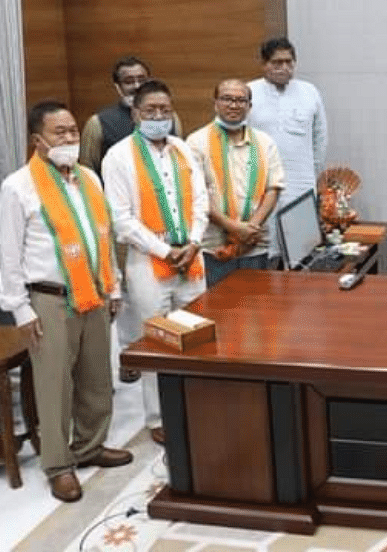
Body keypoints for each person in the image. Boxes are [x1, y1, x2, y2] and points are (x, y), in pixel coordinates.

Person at [0, 100, 132, 502]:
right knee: (55, 385)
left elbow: (102, 238)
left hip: (94, 292)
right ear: (38, 140)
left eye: (73, 130)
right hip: (49, 301)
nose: (71, 138)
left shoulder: (89, 177)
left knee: (97, 378)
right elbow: (8, 253)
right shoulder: (18, 186)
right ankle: (58, 465)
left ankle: (90, 446)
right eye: (60, 132)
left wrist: (115, 286)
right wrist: (19, 308)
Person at [101, 80, 208, 445]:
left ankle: (195, 405)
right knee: (158, 340)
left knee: (194, 337)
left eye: (164, 110)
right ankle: (158, 417)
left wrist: (193, 242)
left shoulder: (182, 149)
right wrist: (165, 252)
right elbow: (122, 219)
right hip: (148, 262)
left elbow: (200, 202)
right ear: (135, 114)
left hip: (191, 258)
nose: (159, 117)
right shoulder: (118, 156)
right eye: (150, 111)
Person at [187, 79, 285, 286]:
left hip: (255, 245)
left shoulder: (265, 142)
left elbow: (273, 188)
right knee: (219, 310)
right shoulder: (196, 142)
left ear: (249, 106)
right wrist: (234, 228)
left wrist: (251, 227)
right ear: (215, 103)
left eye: (241, 100)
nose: (234, 105)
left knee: (257, 309)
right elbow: (197, 195)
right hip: (215, 247)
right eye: (227, 99)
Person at [246, 37, 327, 266]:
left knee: (301, 253)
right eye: (277, 63)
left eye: (289, 62)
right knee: (267, 252)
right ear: (264, 64)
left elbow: (320, 139)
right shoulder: (249, 93)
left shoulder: (309, 92)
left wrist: (315, 178)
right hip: (260, 186)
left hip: (301, 184)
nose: (284, 68)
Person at [78, 56, 184, 174]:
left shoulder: (170, 118)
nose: (137, 86)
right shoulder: (98, 123)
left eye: (142, 80)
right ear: (118, 86)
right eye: (129, 81)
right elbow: (86, 172)